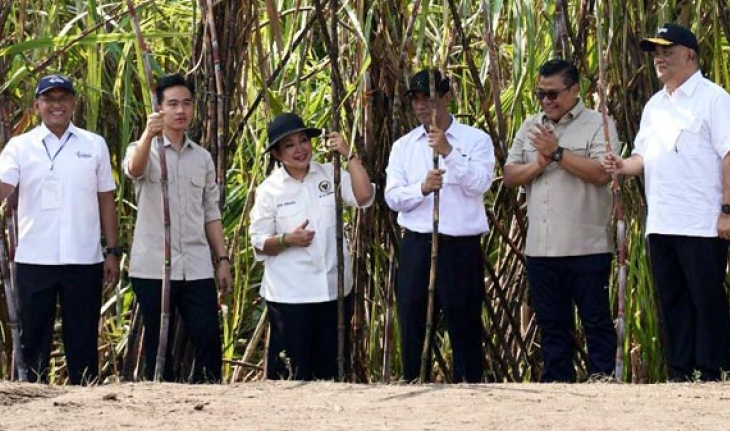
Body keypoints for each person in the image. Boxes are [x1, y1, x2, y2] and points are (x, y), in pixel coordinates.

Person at [606, 23, 730, 381]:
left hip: (701, 221)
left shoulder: (714, 99)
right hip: (662, 222)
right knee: (672, 301)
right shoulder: (655, 105)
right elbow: (642, 158)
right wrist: (621, 166)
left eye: (667, 50)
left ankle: (715, 374)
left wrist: (729, 211)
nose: (660, 58)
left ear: (690, 55)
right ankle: (680, 373)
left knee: (706, 300)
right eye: (656, 52)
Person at [0, 74, 119, 384]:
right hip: (34, 257)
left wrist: (112, 250)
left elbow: (106, 199)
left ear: (73, 103)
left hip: (83, 258)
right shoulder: (20, 146)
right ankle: (29, 399)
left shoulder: (94, 145)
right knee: (32, 336)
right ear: (37, 105)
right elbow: (0, 192)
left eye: (63, 98)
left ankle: (85, 398)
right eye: (49, 99)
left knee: (82, 334)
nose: (57, 105)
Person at [504, 58, 618, 382]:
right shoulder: (530, 126)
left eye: (553, 94)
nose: (547, 101)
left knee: (596, 322)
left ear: (574, 90)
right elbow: (510, 175)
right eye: (540, 94)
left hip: (586, 247)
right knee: (552, 326)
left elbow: (601, 173)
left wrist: (558, 154)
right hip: (541, 250)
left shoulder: (600, 124)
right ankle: (557, 391)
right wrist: (538, 165)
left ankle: (603, 384)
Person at [385, 68, 494, 382]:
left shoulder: (475, 140)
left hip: (460, 246)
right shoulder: (404, 146)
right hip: (418, 243)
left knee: (464, 321)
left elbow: (480, 184)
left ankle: (470, 390)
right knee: (412, 319)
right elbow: (392, 197)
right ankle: (413, 385)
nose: (421, 106)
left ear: (446, 97)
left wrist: (448, 153)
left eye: (429, 99)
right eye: (416, 100)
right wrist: (421, 188)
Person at [249, 112, 374, 380]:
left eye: (303, 140)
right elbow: (259, 243)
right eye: (290, 145)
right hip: (290, 296)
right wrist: (287, 240)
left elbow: (364, 195)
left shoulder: (330, 174)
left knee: (329, 372)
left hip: (333, 291)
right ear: (277, 154)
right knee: (291, 373)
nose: (299, 149)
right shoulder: (269, 191)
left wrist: (348, 154)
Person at [124, 74, 230, 382]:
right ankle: (159, 404)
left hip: (196, 265)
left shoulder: (202, 158)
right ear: (159, 109)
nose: (180, 111)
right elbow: (134, 170)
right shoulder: (143, 148)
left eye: (186, 103)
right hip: (153, 266)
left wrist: (222, 258)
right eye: (172, 104)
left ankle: (211, 400)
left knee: (208, 336)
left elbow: (211, 211)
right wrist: (147, 135)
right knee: (159, 343)